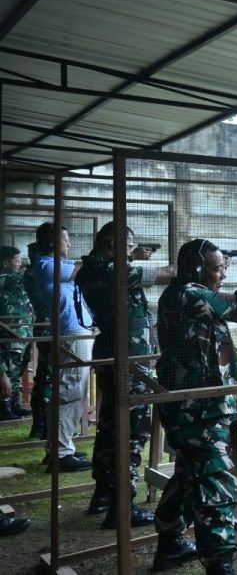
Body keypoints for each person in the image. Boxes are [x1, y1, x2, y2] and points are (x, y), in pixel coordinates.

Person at [151, 239, 237, 575]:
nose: (223, 274)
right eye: (217, 268)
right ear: (197, 269)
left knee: (189, 475)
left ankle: (170, 543)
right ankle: (219, 562)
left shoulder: (184, 294)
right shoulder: (189, 294)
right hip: (197, 410)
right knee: (217, 481)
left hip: (197, 407)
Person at [76, 222, 175, 526]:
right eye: (128, 245)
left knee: (110, 425)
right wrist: (181, 269)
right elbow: (161, 274)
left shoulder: (96, 267)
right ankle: (123, 507)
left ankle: (104, 494)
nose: (131, 251)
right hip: (127, 360)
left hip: (118, 354)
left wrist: (132, 254)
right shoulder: (107, 270)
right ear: (111, 242)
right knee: (132, 429)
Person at [26, 223, 93, 472]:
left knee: (73, 390)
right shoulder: (46, 265)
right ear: (53, 242)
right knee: (69, 392)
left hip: (75, 330)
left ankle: (59, 448)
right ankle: (61, 454)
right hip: (70, 332)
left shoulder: (56, 264)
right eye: (66, 239)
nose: (70, 244)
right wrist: (98, 259)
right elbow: (82, 268)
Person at [0, 246, 34, 421]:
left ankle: (14, 403)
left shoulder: (15, 280)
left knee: (18, 370)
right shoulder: (5, 278)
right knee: (10, 369)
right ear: (5, 263)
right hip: (10, 333)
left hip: (22, 332)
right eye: (17, 260)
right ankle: (4, 406)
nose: (20, 264)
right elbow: (29, 277)